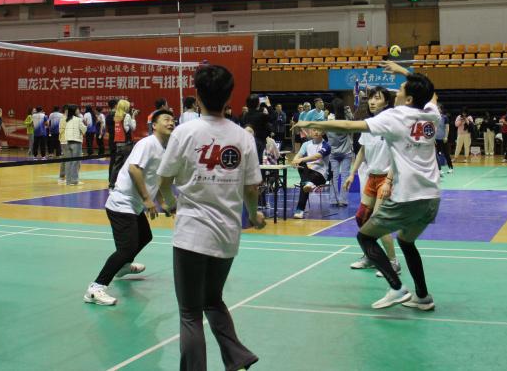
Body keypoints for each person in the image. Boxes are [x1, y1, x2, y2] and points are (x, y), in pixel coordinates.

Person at [297, 62, 441, 311]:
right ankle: (423, 297)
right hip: (432, 198)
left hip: (408, 196)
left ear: (408, 99)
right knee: (406, 241)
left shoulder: (396, 116)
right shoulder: (431, 113)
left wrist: (312, 125)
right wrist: (404, 72)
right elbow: (431, 92)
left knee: (365, 236)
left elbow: (349, 126)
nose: (396, 92)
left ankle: (397, 288)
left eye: (400, 89)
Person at [156, 64, 264, 371]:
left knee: (190, 313)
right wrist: (253, 215)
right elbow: (251, 187)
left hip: (191, 234)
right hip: (227, 235)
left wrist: (169, 202)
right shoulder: (242, 137)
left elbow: (165, 178)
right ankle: (237, 357)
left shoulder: (184, 132)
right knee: (212, 300)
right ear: (230, 96)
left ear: (197, 96)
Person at [85, 109, 177, 306]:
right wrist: (147, 199)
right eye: (166, 119)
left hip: (134, 204)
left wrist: (161, 202)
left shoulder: (164, 148)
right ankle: (95, 288)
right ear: (154, 125)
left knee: (145, 236)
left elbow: (154, 178)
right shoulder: (148, 143)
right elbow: (134, 169)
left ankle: (123, 266)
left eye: (173, 120)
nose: (171, 122)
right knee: (126, 248)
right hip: (122, 203)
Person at [344, 87, 400, 276]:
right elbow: (362, 150)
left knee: (378, 221)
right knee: (361, 218)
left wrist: (389, 181)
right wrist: (352, 174)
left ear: (386, 102)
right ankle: (371, 255)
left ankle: (393, 262)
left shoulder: (391, 125)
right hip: (372, 177)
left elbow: (397, 156)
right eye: (371, 98)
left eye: (377, 98)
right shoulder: (368, 125)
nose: (372, 101)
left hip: (386, 178)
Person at [290, 130, 331, 219]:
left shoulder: (326, 145)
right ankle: (309, 184)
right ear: (310, 132)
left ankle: (300, 210)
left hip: (320, 175)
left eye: (318, 130)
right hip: (307, 172)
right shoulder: (306, 144)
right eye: (314, 130)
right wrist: (295, 160)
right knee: (303, 169)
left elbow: (316, 156)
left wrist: (301, 159)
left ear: (323, 132)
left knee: (304, 181)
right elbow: (299, 155)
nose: (316, 132)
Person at [108, 99, 135, 188]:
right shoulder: (126, 115)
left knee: (117, 164)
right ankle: (125, 183)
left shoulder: (116, 116)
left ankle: (112, 183)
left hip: (118, 143)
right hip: (126, 143)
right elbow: (131, 128)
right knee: (127, 164)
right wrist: (133, 118)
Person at [62, 105, 87, 186]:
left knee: (68, 162)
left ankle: (68, 181)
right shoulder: (78, 119)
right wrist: (85, 125)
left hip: (67, 141)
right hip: (76, 142)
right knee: (76, 162)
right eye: (77, 109)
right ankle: (74, 180)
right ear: (75, 111)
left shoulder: (66, 119)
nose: (79, 110)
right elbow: (84, 130)